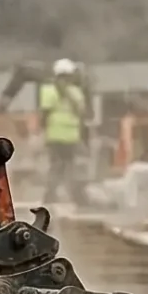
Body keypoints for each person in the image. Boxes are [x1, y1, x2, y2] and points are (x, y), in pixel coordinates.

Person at [40, 58, 91, 205]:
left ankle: (53, 197)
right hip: (66, 137)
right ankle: (72, 197)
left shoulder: (50, 91)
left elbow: (44, 115)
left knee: (59, 167)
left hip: (59, 137)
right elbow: (82, 115)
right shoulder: (75, 92)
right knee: (66, 167)